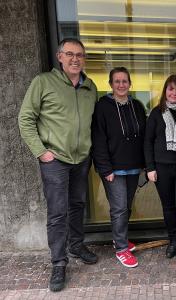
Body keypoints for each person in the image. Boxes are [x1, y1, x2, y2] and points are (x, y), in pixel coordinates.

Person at [18, 38, 98, 292]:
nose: (76, 59)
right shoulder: (43, 82)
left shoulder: (90, 86)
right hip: (55, 160)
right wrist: (41, 152)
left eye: (80, 55)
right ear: (60, 56)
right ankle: (59, 262)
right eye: (70, 54)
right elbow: (25, 118)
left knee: (78, 205)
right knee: (57, 212)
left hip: (81, 159)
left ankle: (76, 245)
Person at [91, 67, 146, 268]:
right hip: (113, 169)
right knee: (119, 208)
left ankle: (119, 238)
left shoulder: (137, 106)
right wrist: (105, 169)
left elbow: (144, 137)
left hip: (133, 167)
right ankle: (121, 249)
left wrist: (144, 165)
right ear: (111, 84)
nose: (121, 85)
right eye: (117, 81)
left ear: (130, 84)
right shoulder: (102, 107)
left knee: (126, 207)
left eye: (124, 81)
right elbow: (99, 139)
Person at [144, 74, 176, 259]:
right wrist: (150, 168)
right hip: (161, 168)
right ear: (165, 91)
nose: (174, 92)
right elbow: (147, 142)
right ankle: (173, 241)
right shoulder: (157, 113)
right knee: (168, 207)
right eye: (170, 89)